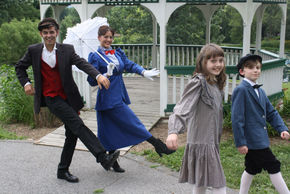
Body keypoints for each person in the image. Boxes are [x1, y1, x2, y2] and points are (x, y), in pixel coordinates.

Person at [15, 18, 120, 183]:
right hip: (51, 97)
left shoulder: (67, 50)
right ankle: (102, 157)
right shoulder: (34, 51)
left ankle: (62, 170)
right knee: (77, 124)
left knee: (72, 135)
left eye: (51, 32)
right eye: (45, 33)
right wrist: (26, 83)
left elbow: (82, 63)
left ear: (57, 32)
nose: (49, 35)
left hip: (68, 97)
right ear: (41, 34)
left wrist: (98, 75)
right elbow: (19, 67)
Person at [87, 25, 174, 173]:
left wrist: (143, 71)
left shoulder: (117, 53)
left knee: (110, 129)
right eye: (105, 36)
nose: (108, 39)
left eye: (110, 37)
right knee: (132, 122)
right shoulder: (94, 56)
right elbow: (91, 81)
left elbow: (128, 65)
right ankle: (158, 145)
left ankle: (112, 163)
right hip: (107, 98)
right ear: (99, 38)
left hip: (119, 94)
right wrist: (105, 74)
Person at [166, 43, 227, 194]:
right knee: (219, 185)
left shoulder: (215, 84)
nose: (218, 64)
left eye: (220, 60)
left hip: (211, 142)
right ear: (203, 62)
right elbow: (182, 107)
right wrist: (173, 131)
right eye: (213, 61)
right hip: (202, 142)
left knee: (201, 183)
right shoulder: (199, 83)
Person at [231, 54, 290, 194]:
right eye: (251, 67)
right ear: (242, 71)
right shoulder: (241, 90)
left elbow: (271, 113)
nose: (256, 70)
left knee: (252, 168)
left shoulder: (261, 91)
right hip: (253, 140)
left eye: (258, 67)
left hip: (260, 138)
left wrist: (281, 128)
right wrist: (240, 142)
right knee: (273, 164)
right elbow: (237, 119)